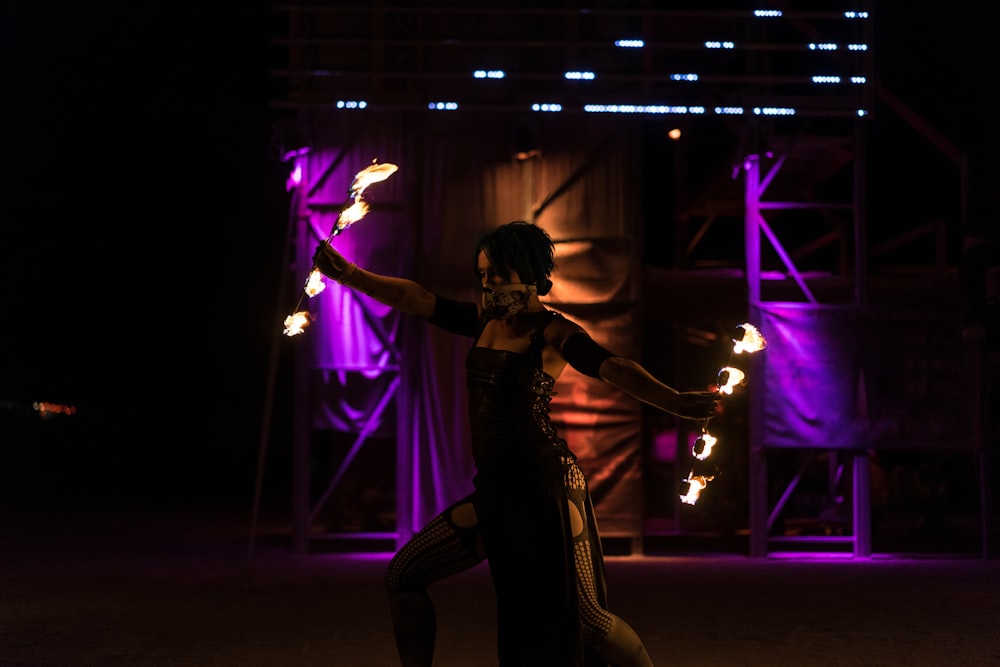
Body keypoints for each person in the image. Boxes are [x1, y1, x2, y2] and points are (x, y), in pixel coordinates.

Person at [312, 221, 719, 667]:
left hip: (548, 488)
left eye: (497, 274)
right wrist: (349, 274)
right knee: (403, 575)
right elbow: (416, 298)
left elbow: (614, 367)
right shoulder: (483, 321)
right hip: (497, 493)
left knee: (587, 619)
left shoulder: (553, 333)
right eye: (482, 275)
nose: (487, 284)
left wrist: (674, 401)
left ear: (526, 272)